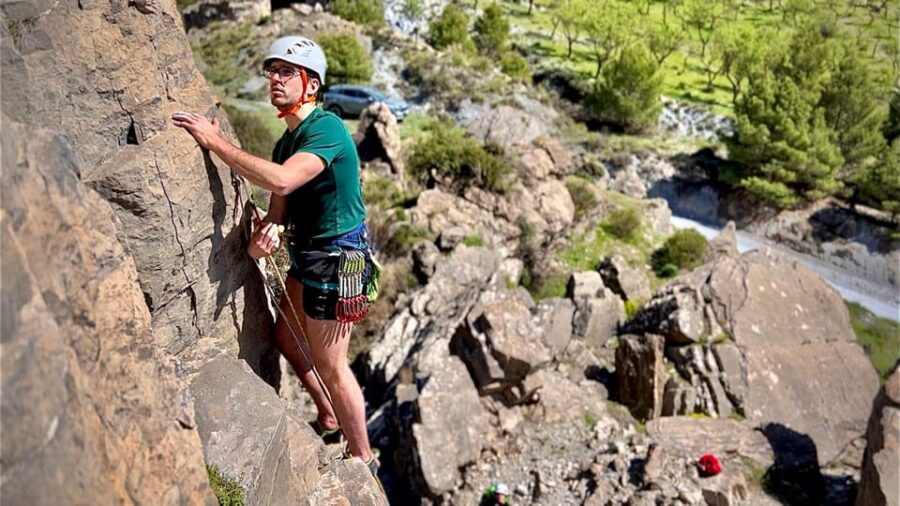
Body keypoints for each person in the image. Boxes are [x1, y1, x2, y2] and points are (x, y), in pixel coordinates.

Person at [172, 35, 379, 472]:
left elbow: (283, 182)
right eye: (272, 71)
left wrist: (214, 143)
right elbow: (280, 207)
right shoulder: (286, 143)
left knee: (333, 364)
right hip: (310, 250)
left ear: (311, 85)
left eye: (288, 72)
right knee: (287, 337)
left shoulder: (327, 128)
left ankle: (363, 456)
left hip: (338, 257)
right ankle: (328, 413)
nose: (275, 80)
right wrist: (267, 234)